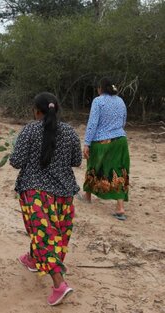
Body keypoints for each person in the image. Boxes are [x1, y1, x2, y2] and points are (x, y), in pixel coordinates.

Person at [9, 92, 82, 306]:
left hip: (36, 191)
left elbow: (16, 161)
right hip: (64, 193)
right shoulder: (69, 132)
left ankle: (59, 284)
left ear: (36, 110)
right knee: (53, 232)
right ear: (56, 109)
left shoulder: (30, 129)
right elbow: (76, 160)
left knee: (44, 234)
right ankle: (32, 259)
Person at [80, 77, 129, 221]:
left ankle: (87, 196)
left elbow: (92, 123)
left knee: (93, 167)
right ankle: (120, 207)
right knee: (119, 171)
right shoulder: (120, 101)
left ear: (100, 88)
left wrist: (87, 143)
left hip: (101, 141)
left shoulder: (98, 101)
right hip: (120, 140)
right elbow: (123, 121)